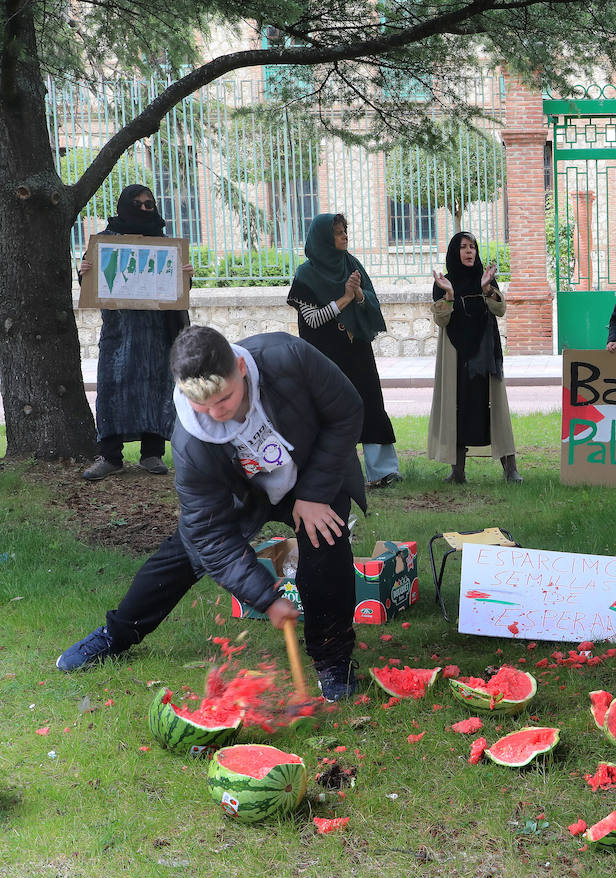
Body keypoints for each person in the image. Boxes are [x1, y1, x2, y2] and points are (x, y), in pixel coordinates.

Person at [57, 326, 367, 700]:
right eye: (201, 405)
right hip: (242, 492)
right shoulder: (191, 442)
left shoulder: (289, 356)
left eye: (224, 399)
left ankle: (333, 660)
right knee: (187, 550)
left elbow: (346, 411)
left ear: (240, 367)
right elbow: (211, 536)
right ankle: (117, 633)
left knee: (325, 539)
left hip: (311, 472)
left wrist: (315, 494)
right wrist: (266, 599)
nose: (215, 415)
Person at [80, 185, 192, 480]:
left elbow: (177, 293)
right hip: (119, 333)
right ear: (124, 206)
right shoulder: (107, 241)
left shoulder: (163, 242)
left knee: (155, 388)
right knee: (112, 388)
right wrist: (85, 271)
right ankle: (110, 456)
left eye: (149, 204)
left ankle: (151, 454)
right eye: (138, 204)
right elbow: (92, 288)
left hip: (158, 333)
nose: (145, 209)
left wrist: (185, 276)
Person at [289, 213, 401, 489]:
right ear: (324, 238)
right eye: (338, 232)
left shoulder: (351, 264)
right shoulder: (306, 274)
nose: (344, 236)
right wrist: (345, 299)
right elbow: (312, 319)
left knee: (371, 405)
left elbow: (371, 299)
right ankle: (336, 471)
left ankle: (383, 471)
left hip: (356, 349)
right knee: (331, 411)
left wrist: (359, 294)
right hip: (325, 355)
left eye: (344, 231)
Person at [429, 232, 521, 483]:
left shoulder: (485, 279)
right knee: (457, 408)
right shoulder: (444, 283)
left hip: (484, 353)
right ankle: (457, 472)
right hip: (456, 357)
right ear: (453, 252)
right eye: (463, 247)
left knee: (493, 409)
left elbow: (500, 309)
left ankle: (510, 469)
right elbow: (441, 320)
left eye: (473, 247)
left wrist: (487, 289)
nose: (469, 251)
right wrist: (449, 295)